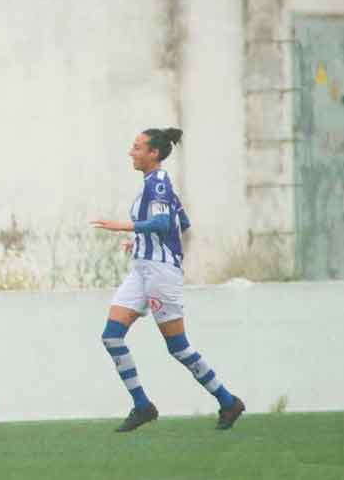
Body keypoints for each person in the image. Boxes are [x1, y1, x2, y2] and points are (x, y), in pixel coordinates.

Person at [91, 127, 245, 432]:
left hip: (161, 274)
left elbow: (163, 222)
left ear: (154, 154)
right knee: (111, 335)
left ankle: (228, 401)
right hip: (143, 269)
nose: (131, 152)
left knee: (177, 347)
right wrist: (140, 243)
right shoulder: (154, 184)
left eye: (137, 147)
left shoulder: (158, 183)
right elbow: (181, 222)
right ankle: (142, 406)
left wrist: (126, 228)